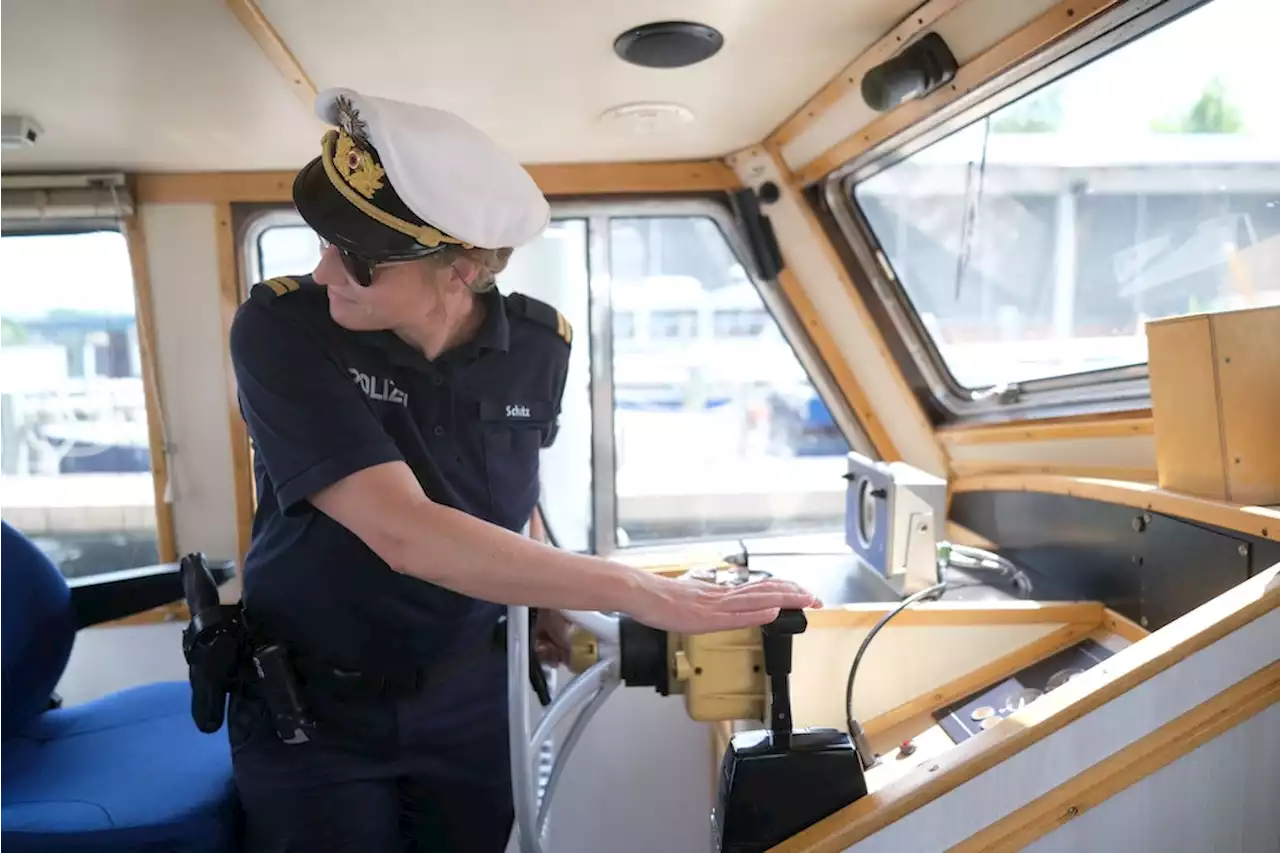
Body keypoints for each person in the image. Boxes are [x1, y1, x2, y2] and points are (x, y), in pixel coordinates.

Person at [225, 86, 820, 853]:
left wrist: (546, 605)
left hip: (469, 699)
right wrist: (649, 592)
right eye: (325, 237)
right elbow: (406, 532)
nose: (324, 269)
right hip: (309, 707)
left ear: (463, 270)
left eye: (360, 255)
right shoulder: (281, 328)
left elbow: (508, 496)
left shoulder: (541, 346)